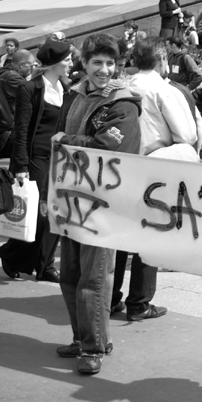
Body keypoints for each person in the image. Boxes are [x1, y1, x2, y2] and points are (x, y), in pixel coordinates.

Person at [54, 33, 143, 375]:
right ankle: (82, 337)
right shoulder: (75, 96)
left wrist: (68, 141)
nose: (104, 70)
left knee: (94, 277)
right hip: (72, 197)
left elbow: (108, 147)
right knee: (70, 274)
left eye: (110, 63)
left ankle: (94, 347)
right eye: (97, 63)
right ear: (85, 65)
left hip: (106, 202)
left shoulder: (123, 103)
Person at [113, 37, 198, 322]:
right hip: (153, 171)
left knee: (120, 233)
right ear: (162, 59)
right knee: (148, 235)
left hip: (120, 168)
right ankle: (138, 303)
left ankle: (111, 297)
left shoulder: (121, 86)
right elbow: (187, 136)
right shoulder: (163, 90)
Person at [0, 39, 71, 284]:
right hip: (36, 157)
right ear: (54, 63)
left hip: (59, 158)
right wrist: (21, 166)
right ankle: (9, 253)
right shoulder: (31, 88)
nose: (71, 63)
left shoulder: (66, 89)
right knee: (38, 215)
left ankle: (45, 265)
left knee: (56, 213)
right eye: (67, 59)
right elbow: (21, 129)